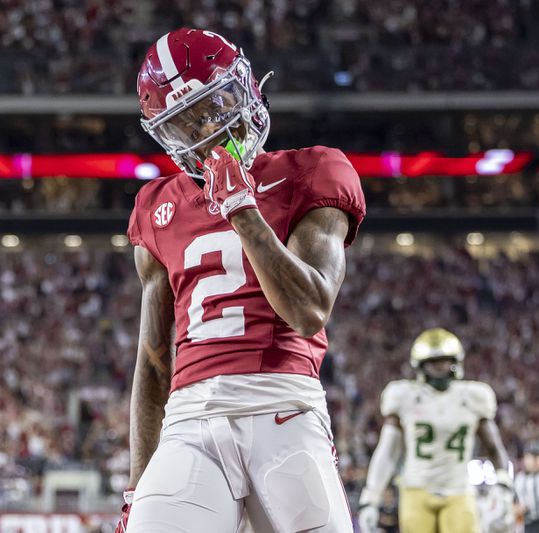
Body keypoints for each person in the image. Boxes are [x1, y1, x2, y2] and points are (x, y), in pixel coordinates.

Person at [116, 27, 366, 533]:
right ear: (165, 135)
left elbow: (309, 310)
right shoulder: (157, 205)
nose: (208, 129)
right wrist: (136, 487)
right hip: (190, 419)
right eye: (186, 125)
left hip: (284, 406)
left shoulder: (313, 171)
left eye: (215, 105)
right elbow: (152, 363)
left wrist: (243, 211)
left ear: (246, 88)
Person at [358, 328, 514, 533]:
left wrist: (503, 485)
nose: (439, 367)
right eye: (433, 362)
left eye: (444, 360)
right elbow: (387, 451)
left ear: (455, 362)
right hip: (416, 489)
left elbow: (494, 447)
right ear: (420, 366)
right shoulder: (406, 396)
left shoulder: (472, 397)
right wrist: (371, 497)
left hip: (458, 489)